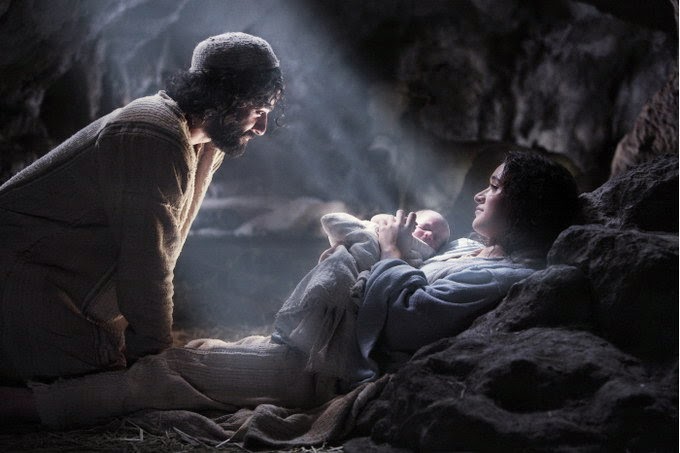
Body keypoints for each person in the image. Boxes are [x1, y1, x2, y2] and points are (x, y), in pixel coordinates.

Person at [1, 150, 580, 430]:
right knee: (199, 353)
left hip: (326, 368)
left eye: (494, 187)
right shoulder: (472, 253)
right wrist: (375, 252)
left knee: (168, 372)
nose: (480, 193)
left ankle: (30, 409)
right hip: (320, 341)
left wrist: (390, 252)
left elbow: (409, 318)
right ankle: (50, 385)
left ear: (522, 206)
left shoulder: (505, 276)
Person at [0, 32, 284, 384]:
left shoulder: (205, 143)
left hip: (58, 291)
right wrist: (154, 357)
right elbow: (146, 258)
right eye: (257, 111)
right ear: (224, 97)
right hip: (23, 285)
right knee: (103, 394)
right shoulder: (153, 134)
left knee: (116, 384)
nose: (261, 128)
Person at [318, 208, 452, 268]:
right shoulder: (393, 227)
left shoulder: (427, 257)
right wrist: (393, 222)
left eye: (437, 239)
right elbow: (375, 220)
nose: (430, 235)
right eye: (425, 227)